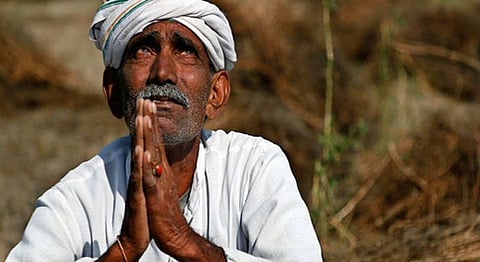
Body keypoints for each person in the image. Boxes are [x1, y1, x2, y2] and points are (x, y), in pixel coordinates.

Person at [6, 0, 323, 261]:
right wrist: (125, 249)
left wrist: (183, 241)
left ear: (216, 94)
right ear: (114, 92)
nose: (163, 73)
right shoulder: (73, 201)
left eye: (185, 51)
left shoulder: (255, 169)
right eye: (144, 50)